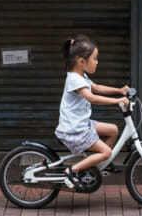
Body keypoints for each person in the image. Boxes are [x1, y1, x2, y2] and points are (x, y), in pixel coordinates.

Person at [55, 34, 128, 189]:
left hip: (82, 124)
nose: (97, 62)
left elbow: (96, 88)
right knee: (107, 151)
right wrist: (117, 101)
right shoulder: (74, 79)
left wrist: (119, 90)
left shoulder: (81, 76)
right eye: (94, 59)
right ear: (82, 61)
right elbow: (92, 97)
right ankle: (72, 170)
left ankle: (102, 163)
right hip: (74, 130)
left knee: (113, 130)